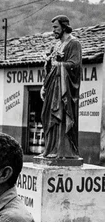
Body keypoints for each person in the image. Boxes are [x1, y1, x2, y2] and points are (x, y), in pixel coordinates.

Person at [41, 15, 82, 159]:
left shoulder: (74, 43)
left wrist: (59, 65)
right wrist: (44, 85)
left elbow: (75, 65)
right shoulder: (56, 45)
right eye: (53, 28)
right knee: (47, 115)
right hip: (53, 86)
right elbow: (50, 66)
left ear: (64, 27)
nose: (53, 31)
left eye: (55, 27)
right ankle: (50, 148)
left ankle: (63, 151)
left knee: (61, 117)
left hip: (65, 89)